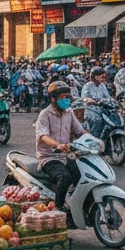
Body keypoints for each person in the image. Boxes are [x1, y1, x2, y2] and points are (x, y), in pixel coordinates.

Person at [34, 81, 86, 212]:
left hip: (65, 155)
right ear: (53, 99)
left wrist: (93, 140)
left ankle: (74, 203)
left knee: (82, 175)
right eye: (63, 97)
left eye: (68, 97)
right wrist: (58, 145)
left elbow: (80, 130)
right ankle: (59, 207)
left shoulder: (69, 112)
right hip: (49, 157)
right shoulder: (45, 114)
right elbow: (43, 136)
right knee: (65, 177)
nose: (67, 100)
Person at [80, 66, 114, 139]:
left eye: (102, 75)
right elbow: (84, 98)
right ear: (94, 76)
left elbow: (108, 97)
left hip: (102, 108)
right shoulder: (87, 86)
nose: (102, 77)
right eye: (99, 75)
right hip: (90, 109)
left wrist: (111, 101)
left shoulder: (102, 85)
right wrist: (90, 100)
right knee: (97, 120)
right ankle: (94, 139)